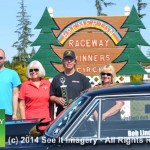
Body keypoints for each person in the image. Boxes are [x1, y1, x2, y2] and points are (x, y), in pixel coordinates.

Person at [50, 50, 91, 116]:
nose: (69, 61)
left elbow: (89, 95)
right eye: (66, 59)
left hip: (78, 114)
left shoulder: (82, 78)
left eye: (71, 59)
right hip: (61, 115)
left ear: (75, 61)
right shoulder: (57, 78)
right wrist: (56, 99)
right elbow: (51, 96)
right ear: (63, 61)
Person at [19, 60, 51, 132]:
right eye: (31, 70)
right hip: (30, 121)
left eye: (36, 69)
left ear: (40, 70)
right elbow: (21, 105)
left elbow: (51, 103)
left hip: (45, 120)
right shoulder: (24, 85)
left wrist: (51, 117)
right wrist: (23, 120)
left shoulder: (48, 84)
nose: (33, 72)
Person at [0, 48, 21, 121]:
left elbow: (15, 95)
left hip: (3, 113)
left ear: (4, 58)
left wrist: (14, 113)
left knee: (1, 132)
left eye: (0, 58)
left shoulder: (12, 74)